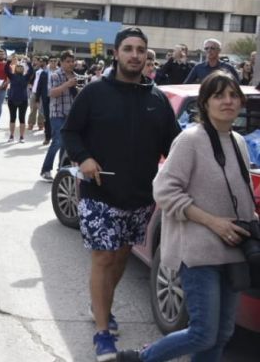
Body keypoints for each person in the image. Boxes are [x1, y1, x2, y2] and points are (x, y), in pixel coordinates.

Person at [118, 71, 258, 362]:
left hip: (232, 252)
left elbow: (240, 196)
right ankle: (141, 358)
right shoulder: (190, 140)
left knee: (222, 333)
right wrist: (213, 222)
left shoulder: (238, 142)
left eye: (233, 95)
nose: (228, 101)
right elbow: (164, 191)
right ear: (205, 103)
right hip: (197, 253)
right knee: (203, 333)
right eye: (219, 96)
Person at [61, 28, 180, 362]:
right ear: (116, 53)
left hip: (140, 198)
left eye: (140, 49)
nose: (135, 55)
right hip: (99, 194)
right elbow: (70, 132)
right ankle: (102, 333)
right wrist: (83, 158)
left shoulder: (157, 99)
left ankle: (101, 304)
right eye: (128, 49)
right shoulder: (94, 92)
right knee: (103, 257)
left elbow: (175, 146)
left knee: (121, 257)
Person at [39, 50, 78, 181]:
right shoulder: (55, 75)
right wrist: (67, 84)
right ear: (61, 62)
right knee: (58, 141)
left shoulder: (76, 76)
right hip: (57, 113)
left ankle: (61, 171)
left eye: (72, 61)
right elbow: (51, 93)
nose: (71, 64)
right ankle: (46, 170)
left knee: (66, 144)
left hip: (71, 115)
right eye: (68, 61)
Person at [6, 59, 33, 143]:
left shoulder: (26, 77)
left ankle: (21, 137)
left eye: (21, 67)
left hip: (23, 100)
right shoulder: (12, 76)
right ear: (15, 69)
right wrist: (9, 61)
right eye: (18, 67)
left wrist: (28, 62)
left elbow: (31, 70)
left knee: (22, 119)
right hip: (12, 100)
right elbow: (6, 69)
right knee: (12, 118)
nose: (20, 68)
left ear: (23, 69)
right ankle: (11, 136)